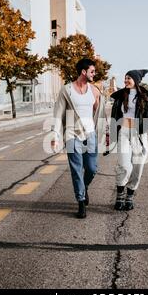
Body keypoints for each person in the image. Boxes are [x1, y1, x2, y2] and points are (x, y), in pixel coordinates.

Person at [50, 59, 108, 219]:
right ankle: (81, 202)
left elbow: (99, 113)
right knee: (76, 170)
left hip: (90, 135)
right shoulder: (66, 90)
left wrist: (105, 132)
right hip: (71, 135)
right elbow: (58, 113)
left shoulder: (94, 91)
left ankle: (84, 187)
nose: (94, 74)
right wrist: (54, 134)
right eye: (92, 71)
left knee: (92, 168)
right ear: (83, 72)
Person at [109, 70, 148, 211]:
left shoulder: (146, 98)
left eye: (129, 78)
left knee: (138, 167)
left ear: (136, 81)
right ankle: (120, 195)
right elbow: (115, 116)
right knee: (124, 166)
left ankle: (129, 196)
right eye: (125, 78)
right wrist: (112, 134)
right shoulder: (120, 96)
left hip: (140, 134)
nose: (125, 80)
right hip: (123, 133)